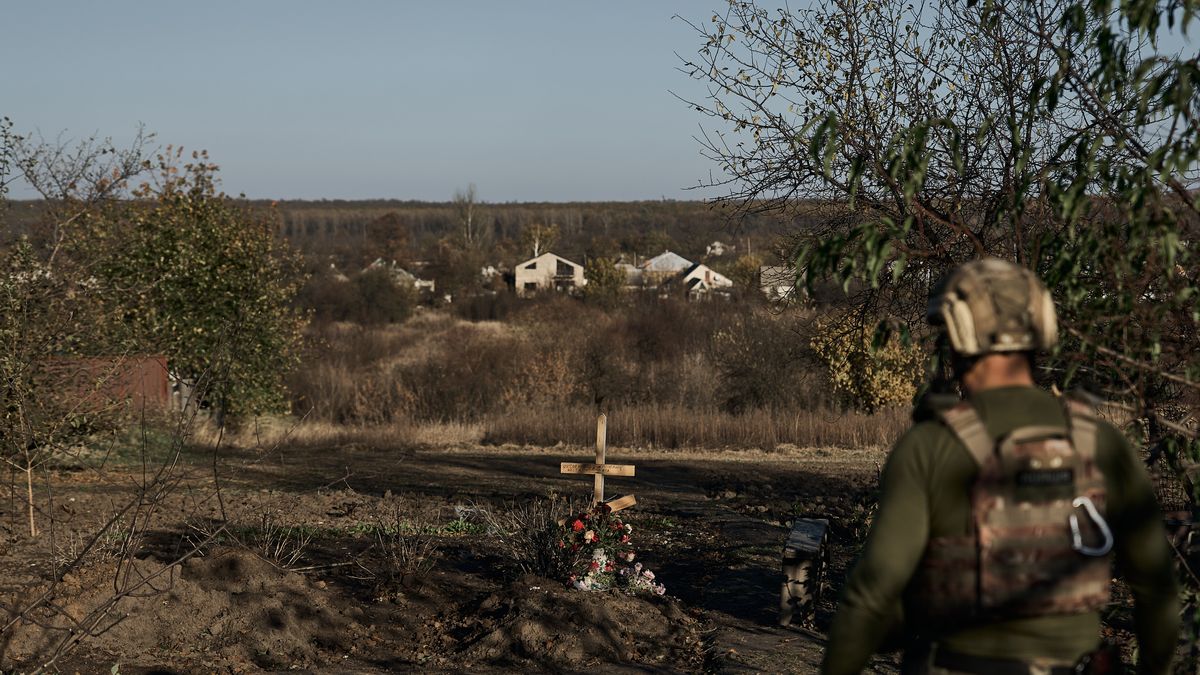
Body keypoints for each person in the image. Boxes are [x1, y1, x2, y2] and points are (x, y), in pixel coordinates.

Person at [821, 259, 1179, 675]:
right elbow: (1156, 589)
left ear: (958, 333)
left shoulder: (931, 446)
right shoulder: (1100, 443)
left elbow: (872, 594)